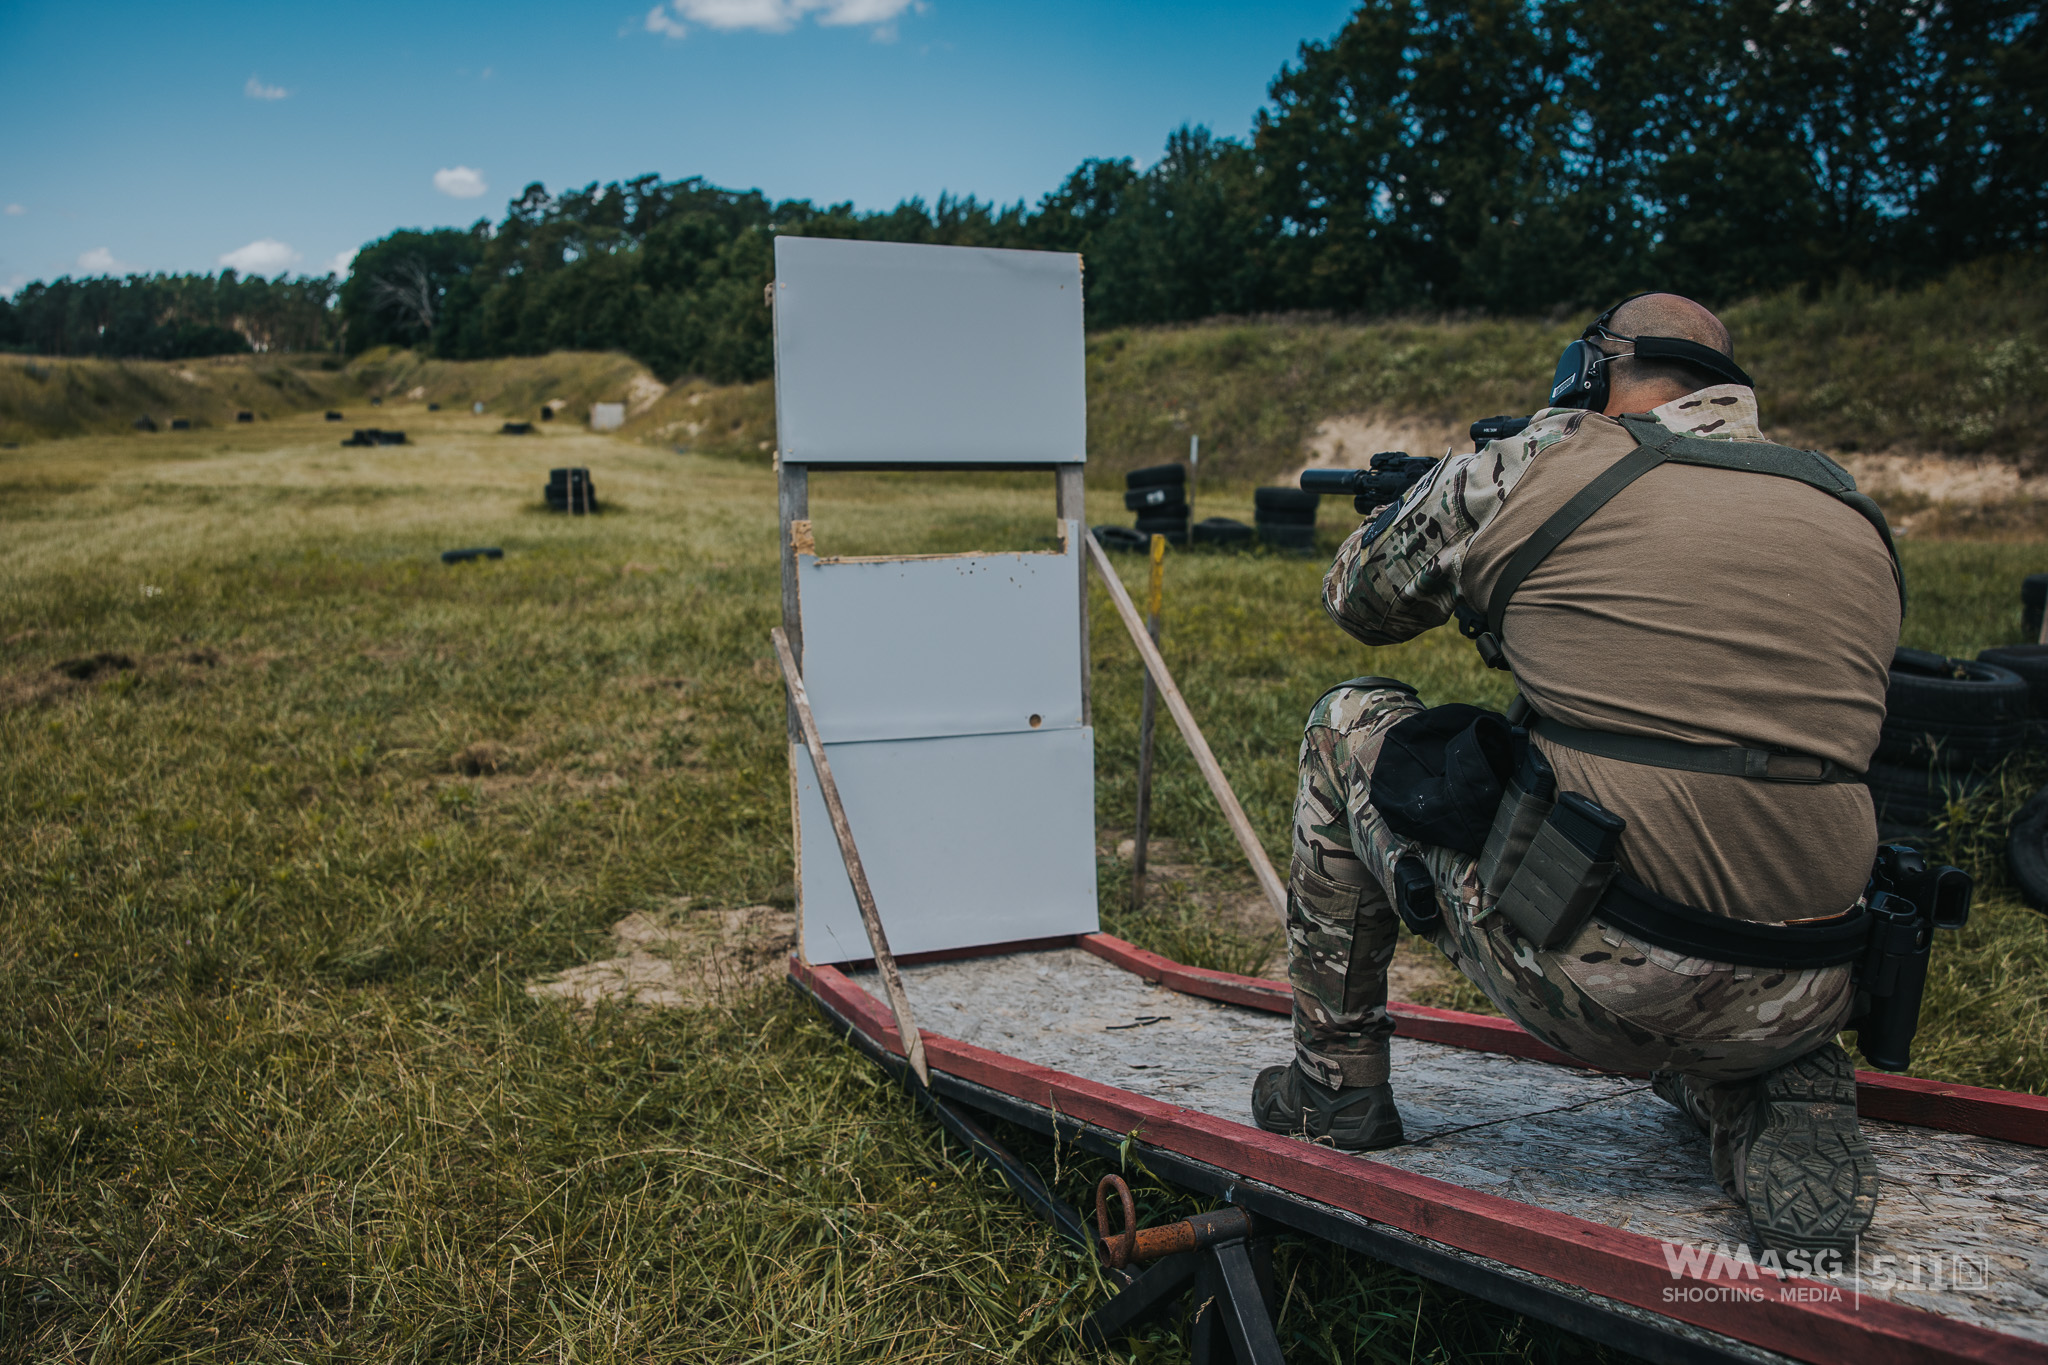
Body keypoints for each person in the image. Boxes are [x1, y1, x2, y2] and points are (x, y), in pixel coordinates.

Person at [1252, 293, 1902, 1254]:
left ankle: (1332, 1092)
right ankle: (1754, 1076)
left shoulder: (1540, 457)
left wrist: (1435, 497)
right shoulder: (1847, 502)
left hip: (1606, 969)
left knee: (1347, 721)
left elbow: (1359, 598)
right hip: (1815, 976)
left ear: (1600, 369)